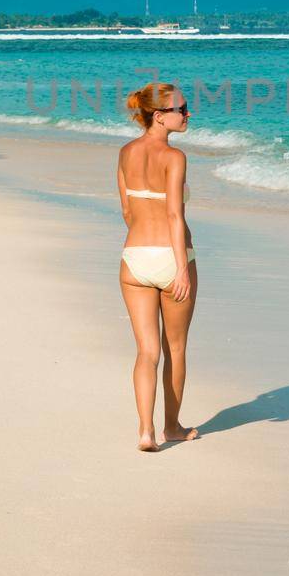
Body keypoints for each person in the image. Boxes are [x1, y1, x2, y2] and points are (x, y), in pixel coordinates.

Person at [118, 81, 199, 452]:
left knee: (146, 352)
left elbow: (127, 212)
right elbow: (173, 214)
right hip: (170, 257)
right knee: (176, 349)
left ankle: (145, 431)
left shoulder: (125, 153)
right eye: (182, 109)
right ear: (159, 115)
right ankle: (172, 427)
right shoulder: (175, 158)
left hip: (134, 259)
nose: (188, 114)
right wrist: (181, 268)